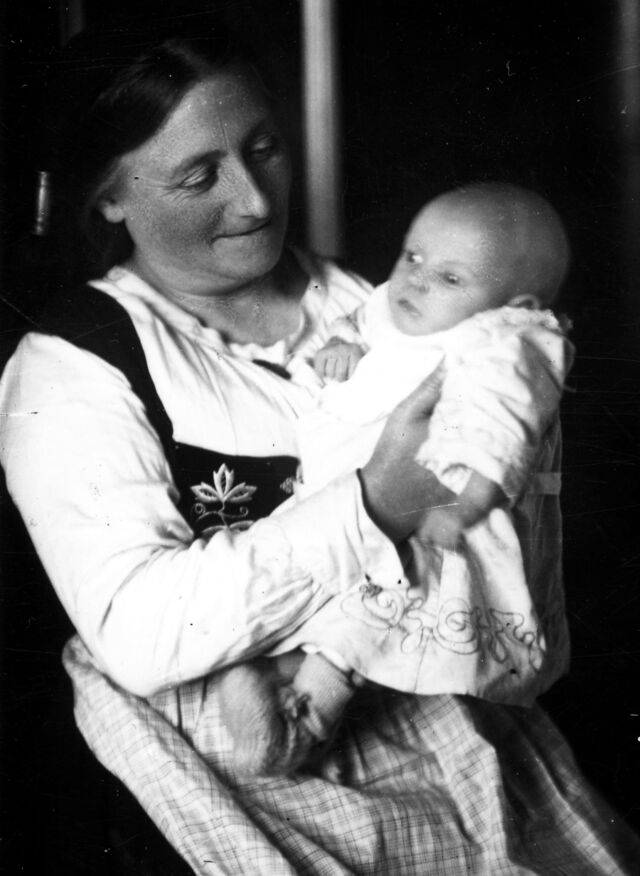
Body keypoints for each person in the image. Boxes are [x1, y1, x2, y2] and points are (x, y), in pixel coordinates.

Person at [1, 12, 639, 875]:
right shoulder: (74, 365)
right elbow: (141, 634)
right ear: (109, 197)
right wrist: (375, 506)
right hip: (235, 758)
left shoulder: (369, 304)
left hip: (437, 711)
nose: (256, 201)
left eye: (264, 148)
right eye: (200, 176)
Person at [210, 183, 575, 776]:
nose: (416, 281)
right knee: (333, 592)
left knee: (384, 610)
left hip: (441, 509)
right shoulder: (400, 305)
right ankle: (275, 677)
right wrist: (343, 342)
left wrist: (466, 505)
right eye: (413, 256)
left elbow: (502, 431)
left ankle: (304, 722)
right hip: (360, 491)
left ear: (515, 304)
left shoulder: (505, 346)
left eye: (450, 278)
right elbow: (363, 318)